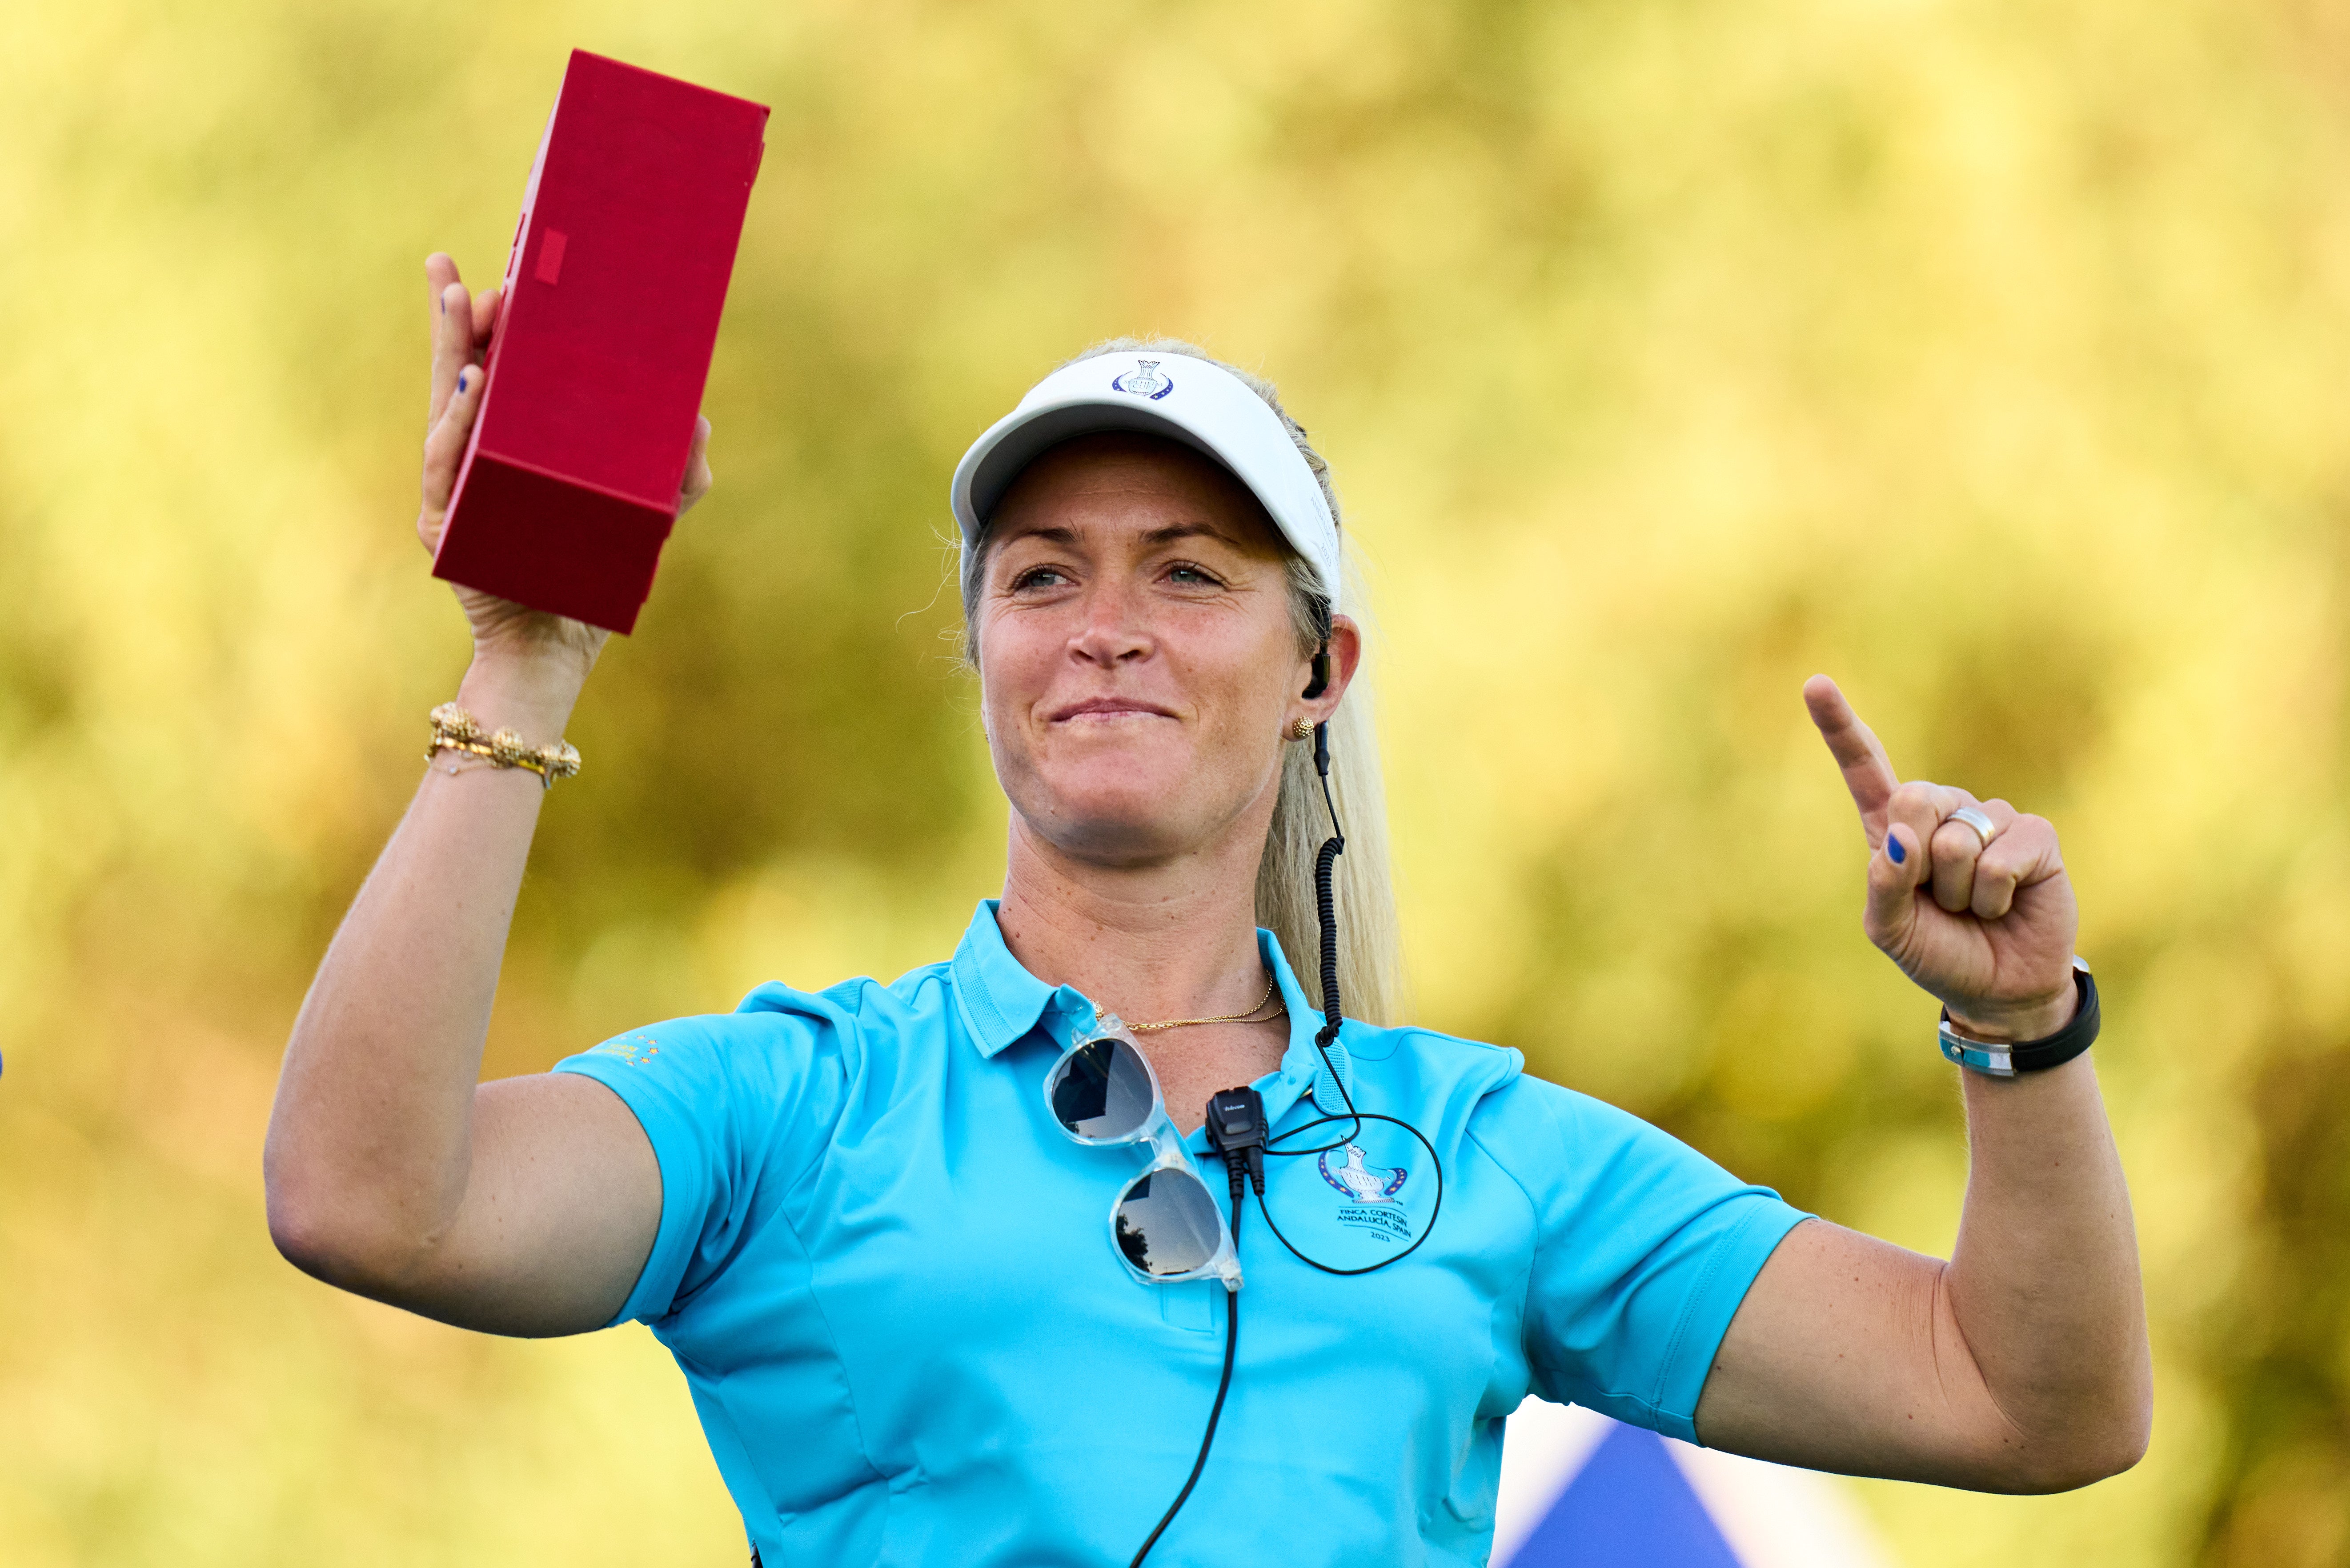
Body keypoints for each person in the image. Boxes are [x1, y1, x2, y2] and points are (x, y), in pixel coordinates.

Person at [264, 253, 2151, 1567]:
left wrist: (2020, 1033)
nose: (1103, 627)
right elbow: (368, 1202)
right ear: (981, 646)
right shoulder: (794, 1107)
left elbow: (2023, 1405)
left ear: (1318, 666)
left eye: (1186, 573)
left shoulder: (1474, 1152)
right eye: (1041, 574)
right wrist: (528, 656)